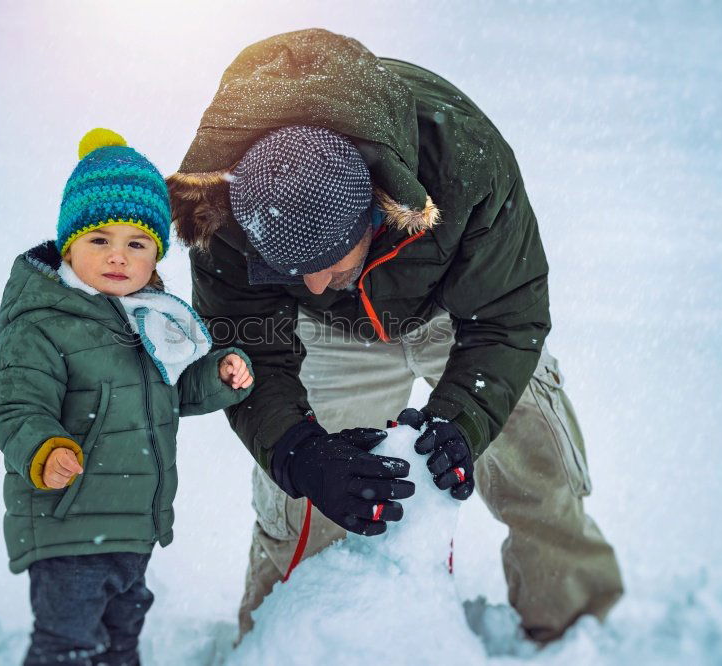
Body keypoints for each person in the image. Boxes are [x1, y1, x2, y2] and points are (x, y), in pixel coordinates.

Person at [166, 30, 624, 643]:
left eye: (328, 259)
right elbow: (248, 351)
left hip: (455, 314)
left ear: (378, 208)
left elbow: (508, 317)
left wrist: (464, 419)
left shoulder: (465, 159)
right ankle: (274, 647)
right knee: (306, 505)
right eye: (288, 266)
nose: (313, 282)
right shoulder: (224, 212)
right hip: (326, 339)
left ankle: (576, 633)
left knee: (540, 468)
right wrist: (299, 451)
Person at [0, 128, 254, 665]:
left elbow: (170, 394)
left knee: (121, 643)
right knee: (68, 645)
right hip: (69, 523)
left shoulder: (149, 320)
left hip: (134, 530)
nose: (117, 257)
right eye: (99, 239)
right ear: (69, 244)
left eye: (136, 244)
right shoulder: (44, 324)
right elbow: (16, 405)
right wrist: (44, 449)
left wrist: (219, 376)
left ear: (155, 255)